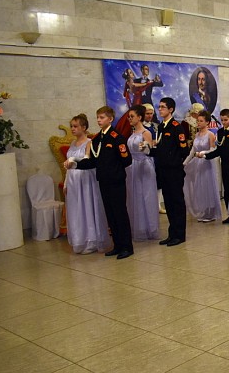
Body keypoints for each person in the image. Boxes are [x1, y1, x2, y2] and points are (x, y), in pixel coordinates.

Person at [67, 106, 133, 260]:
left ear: (110, 119)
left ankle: (127, 247)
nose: (99, 120)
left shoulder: (117, 138)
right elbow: (92, 162)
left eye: (102, 117)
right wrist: (75, 164)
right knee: (110, 214)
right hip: (103, 181)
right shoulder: (97, 139)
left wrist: (113, 170)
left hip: (116, 181)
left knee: (120, 214)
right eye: (97, 117)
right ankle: (117, 245)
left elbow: (126, 160)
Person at [63, 114, 110, 254]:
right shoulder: (72, 144)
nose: (72, 129)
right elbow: (67, 166)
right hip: (73, 180)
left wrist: (73, 159)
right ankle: (80, 239)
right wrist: (66, 183)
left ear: (84, 127)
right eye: (71, 126)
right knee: (76, 209)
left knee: (87, 207)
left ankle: (92, 240)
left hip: (85, 178)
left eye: (76, 126)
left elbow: (87, 159)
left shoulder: (90, 142)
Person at [149, 97, 190, 246]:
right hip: (163, 170)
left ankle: (180, 234)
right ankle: (172, 233)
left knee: (177, 202)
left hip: (174, 171)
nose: (160, 109)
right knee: (169, 203)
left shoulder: (176, 127)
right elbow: (160, 149)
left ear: (171, 109)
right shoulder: (161, 127)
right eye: (159, 107)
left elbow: (183, 150)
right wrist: (149, 151)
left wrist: (172, 161)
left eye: (163, 107)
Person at [200, 108, 229, 224]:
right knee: (227, 190)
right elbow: (219, 150)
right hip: (224, 164)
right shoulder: (220, 132)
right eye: (222, 120)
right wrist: (206, 156)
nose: (224, 122)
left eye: (226, 120)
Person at [125, 104, 159, 240]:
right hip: (132, 166)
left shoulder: (146, 133)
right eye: (129, 117)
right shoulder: (132, 133)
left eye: (132, 116)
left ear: (139, 117)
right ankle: (138, 227)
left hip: (144, 165)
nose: (130, 119)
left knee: (146, 195)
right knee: (135, 196)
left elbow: (150, 151)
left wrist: (144, 147)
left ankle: (149, 228)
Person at [183, 109, 222, 222]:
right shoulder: (197, 135)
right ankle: (204, 210)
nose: (198, 123)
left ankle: (210, 212)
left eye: (200, 121)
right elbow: (192, 151)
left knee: (207, 186)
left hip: (206, 162)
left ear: (207, 122)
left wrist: (204, 153)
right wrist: (185, 163)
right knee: (199, 186)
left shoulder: (210, 135)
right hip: (197, 163)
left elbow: (212, 149)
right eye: (198, 121)